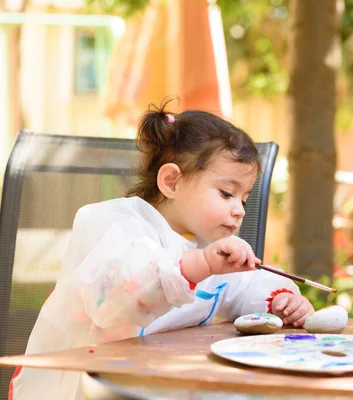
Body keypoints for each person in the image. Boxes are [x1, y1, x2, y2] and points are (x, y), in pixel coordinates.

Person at [10, 99, 314, 399]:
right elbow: (121, 291)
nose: (239, 211)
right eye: (226, 193)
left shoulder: (210, 245)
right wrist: (197, 265)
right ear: (171, 181)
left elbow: (245, 284)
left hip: (162, 380)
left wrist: (279, 300)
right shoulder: (112, 224)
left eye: (244, 199)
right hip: (83, 387)